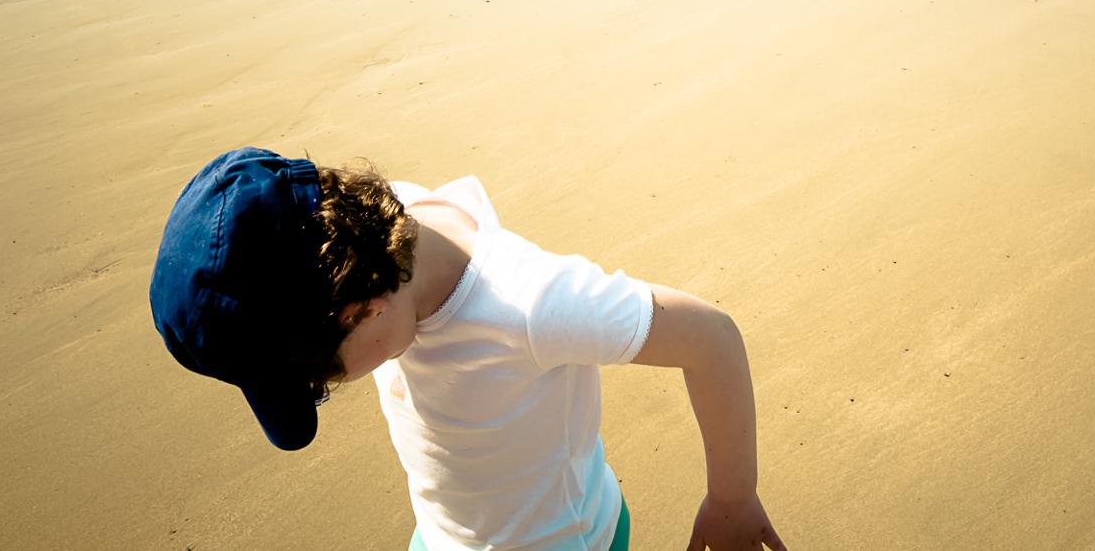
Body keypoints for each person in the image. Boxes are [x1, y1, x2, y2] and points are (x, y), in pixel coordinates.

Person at [150, 148, 788, 551]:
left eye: (320, 380)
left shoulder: (528, 304)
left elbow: (712, 338)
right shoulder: (385, 228)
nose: (329, 388)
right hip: (447, 530)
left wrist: (732, 500)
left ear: (359, 308)